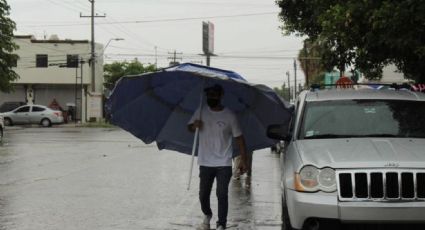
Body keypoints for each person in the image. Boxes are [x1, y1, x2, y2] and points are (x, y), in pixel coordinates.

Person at [188, 84, 248, 230]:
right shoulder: (200, 112)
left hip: (223, 162)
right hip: (205, 161)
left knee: (221, 193)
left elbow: (239, 138)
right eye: (209, 95)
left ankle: (221, 223)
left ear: (221, 96)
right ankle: (207, 214)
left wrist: (243, 160)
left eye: (214, 95)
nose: (211, 98)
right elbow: (189, 127)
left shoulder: (229, 115)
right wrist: (193, 125)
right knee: (203, 195)